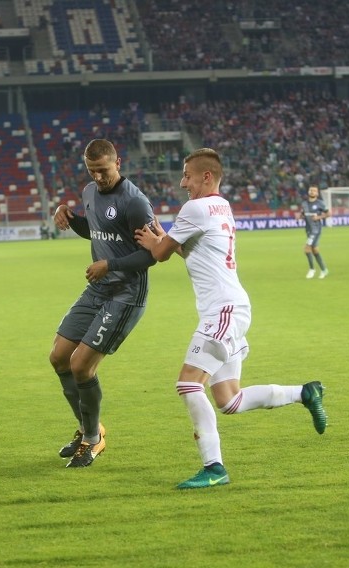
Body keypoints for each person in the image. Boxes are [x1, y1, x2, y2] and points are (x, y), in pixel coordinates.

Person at [135, 148, 328, 489]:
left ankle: (214, 468)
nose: (183, 183)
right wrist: (161, 237)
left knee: (189, 383)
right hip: (233, 307)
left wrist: (156, 241)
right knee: (230, 400)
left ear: (206, 177)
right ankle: (305, 392)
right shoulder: (221, 206)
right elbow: (189, 250)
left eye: (187, 176)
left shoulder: (195, 207)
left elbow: (162, 254)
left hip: (222, 310)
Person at [50, 139, 156, 468]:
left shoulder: (135, 202)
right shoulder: (89, 193)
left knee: (82, 365)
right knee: (59, 357)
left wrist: (109, 265)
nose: (98, 177)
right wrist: (69, 218)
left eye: (104, 171)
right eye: (92, 171)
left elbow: (152, 254)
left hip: (126, 292)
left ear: (118, 163)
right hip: (99, 288)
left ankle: (93, 441)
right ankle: (87, 429)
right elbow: (97, 231)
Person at [298, 185, 330, 279]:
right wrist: (300, 217)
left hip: (316, 229)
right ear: (308, 192)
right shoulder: (304, 204)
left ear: (317, 193)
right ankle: (324, 270)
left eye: (314, 191)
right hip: (308, 229)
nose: (312, 192)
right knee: (315, 250)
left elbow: (329, 213)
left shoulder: (320, 203)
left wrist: (318, 217)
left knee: (307, 249)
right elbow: (303, 214)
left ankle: (312, 269)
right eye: (310, 190)